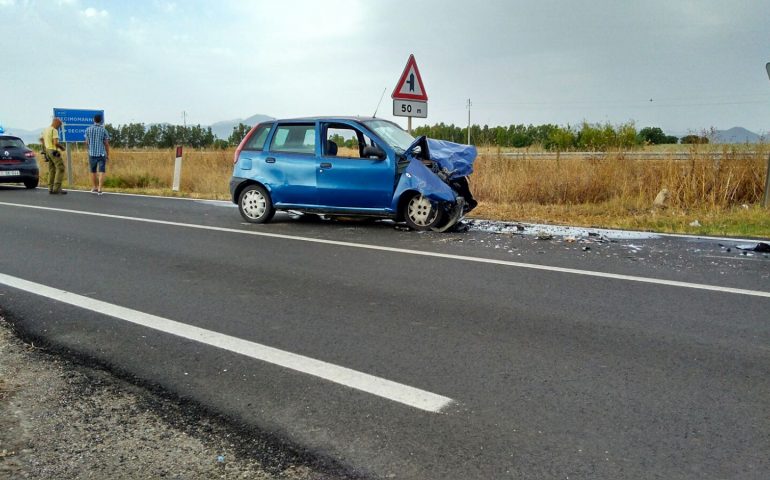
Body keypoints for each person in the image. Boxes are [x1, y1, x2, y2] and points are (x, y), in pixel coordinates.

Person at [84, 114, 110, 195]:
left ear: (93, 120)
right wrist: (108, 154)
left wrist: (89, 149)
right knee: (101, 171)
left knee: (93, 171)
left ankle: (94, 187)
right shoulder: (103, 130)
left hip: (92, 153)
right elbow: (106, 143)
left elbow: (86, 142)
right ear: (101, 121)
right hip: (101, 153)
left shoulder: (88, 129)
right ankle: (99, 188)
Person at [40, 118, 67, 194]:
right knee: (60, 168)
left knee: (51, 169)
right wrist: (62, 148)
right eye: (59, 125)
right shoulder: (54, 130)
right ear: (56, 123)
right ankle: (57, 188)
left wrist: (44, 151)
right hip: (54, 150)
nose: (59, 127)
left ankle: (50, 188)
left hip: (48, 150)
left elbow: (42, 140)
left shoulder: (45, 130)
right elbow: (55, 143)